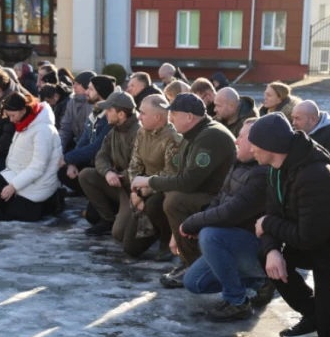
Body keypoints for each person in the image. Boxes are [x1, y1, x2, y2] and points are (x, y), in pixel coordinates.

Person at [251, 113, 330, 337]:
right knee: (266, 255)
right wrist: (272, 250)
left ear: (270, 146)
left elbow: (308, 237)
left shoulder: (315, 174)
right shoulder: (276, 168)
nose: (251, 149)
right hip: (316, 245)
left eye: (255, 144)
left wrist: (267, 223)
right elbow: (273, 213)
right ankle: (313, 312)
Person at [131, 93, 236, 288]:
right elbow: (181, 175)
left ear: (189, 116)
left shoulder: (210, 136)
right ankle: (188, 259)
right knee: (170, 196)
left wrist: (149, 181)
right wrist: (175, 235)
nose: (170, 119)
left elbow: (188, 182)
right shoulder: (194, 133)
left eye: (174, 114)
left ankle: (194, 264)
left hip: (223, 199)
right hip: (209, 194)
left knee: (175, 200)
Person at [182, 118, 272, 321]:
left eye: (242, 137)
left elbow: (232, 212)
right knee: (194, 282)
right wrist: (200, 221)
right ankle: (259, 282)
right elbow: (219, 200)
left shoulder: (262, 174)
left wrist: (194, 222)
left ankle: (237, 301)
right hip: (234, 243)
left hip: (259, 249)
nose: (236, 141)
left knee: (210, 235)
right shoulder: (239, 163)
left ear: (257, 144)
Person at [79, 92, 154, 256]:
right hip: (117, 184)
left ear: (121, 114)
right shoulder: (114, 131)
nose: (106, 113)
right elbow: (101, 156)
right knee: (86, 175)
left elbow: (141, 168)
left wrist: (119, 176)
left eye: (109, 110)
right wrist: (107, 173)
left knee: (119, 235)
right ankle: (107, 220)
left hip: (134, 191)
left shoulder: (138, 133)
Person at [0, 92, 62, 221]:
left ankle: (51, 202)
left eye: (13, 115)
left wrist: (13, 186)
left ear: (24, 110)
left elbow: (38, 167)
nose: (11, 120)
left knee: (10, 213)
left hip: (39, 181)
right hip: (20, 172)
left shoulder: (42, 130)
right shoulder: (25, 122)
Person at [128, 94, 180, 261]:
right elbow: (134, 165)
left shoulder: (173, 138)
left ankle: (167, 236)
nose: (139, 117)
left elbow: (170, 174)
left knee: (155, 204)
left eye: (143, 113)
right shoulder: (142, 133)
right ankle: (155, 231)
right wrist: (135, 191)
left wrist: (143, 192)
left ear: (157, 116)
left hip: (164, 192)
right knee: (130, 247)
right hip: (142, 190)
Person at [58, 75, 115, 199]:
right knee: (63, 171)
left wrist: (68, 158)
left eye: (90, 89)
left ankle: (99, 197)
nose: (86, 92)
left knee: (92, 217)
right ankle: (86, 193)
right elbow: (83, 141)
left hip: (107, 167)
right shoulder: (96, 111)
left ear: (100, 92)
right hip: (94, 162)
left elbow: (97, 147)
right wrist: (71, 162)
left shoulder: (110, 116)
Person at [291, 100, 330, 192]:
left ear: (313, 119)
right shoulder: (299, 131)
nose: (293, 123)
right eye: (293, 118)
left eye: (298, 119)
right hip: (307, 185)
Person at [59, 71, 95, 153]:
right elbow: (65, 128)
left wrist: (74, 157)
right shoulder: (71, 102)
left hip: (88, 150)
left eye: (78, 84)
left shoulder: (93, 104)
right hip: (75, 146)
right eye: (74, 83)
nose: (74, 86)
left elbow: (89, 135)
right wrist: (59, 150)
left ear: (87, 86)